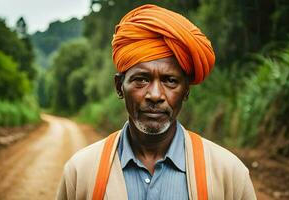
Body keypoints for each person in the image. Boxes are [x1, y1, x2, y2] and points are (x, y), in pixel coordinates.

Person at [56, 4, 257, 200]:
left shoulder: (229, 174)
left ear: (186, 90)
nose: (155, 95)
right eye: (141, 79)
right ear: (119, 86)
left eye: (170, 81)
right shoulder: (80, 172)